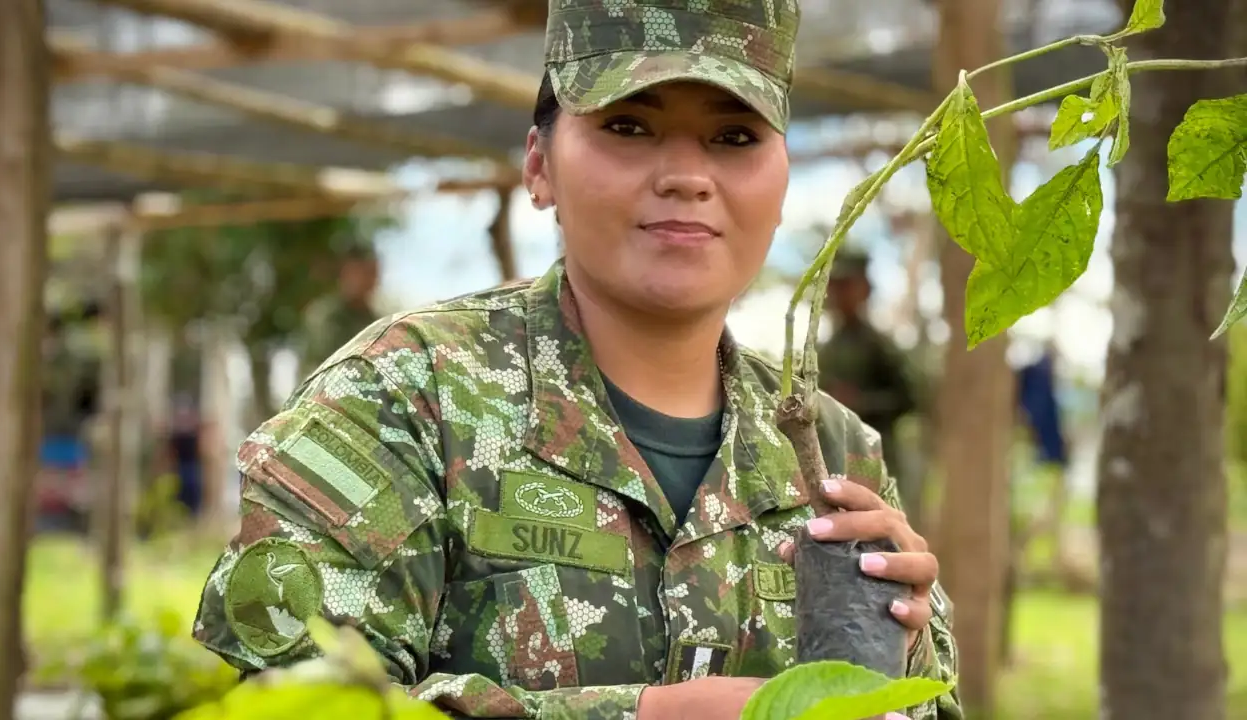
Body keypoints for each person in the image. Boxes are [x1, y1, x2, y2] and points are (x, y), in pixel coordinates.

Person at [190, 2, 963, 718]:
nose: (687, 177)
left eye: (734, 137)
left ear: (784, 179)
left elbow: (922, 705)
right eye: (629, 127)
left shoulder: (830, 449)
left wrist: (906, 648)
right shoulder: (404, 399)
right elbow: (284, 696)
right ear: (538, 166)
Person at [816, 245, 918, 483]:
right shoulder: (826, 349)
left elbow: (909, 399)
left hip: (876, 461)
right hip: (834, 462)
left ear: (865, 289)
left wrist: (862, 403)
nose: (839, 294)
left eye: (847, 285)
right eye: (835, 286)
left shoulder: (879, 346)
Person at [298, 244, 382, 374]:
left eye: (373, 273)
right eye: (363, 272)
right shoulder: (323, 316)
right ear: (345, 273)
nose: (371, 280)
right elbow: (322, 361)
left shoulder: (378, 321)